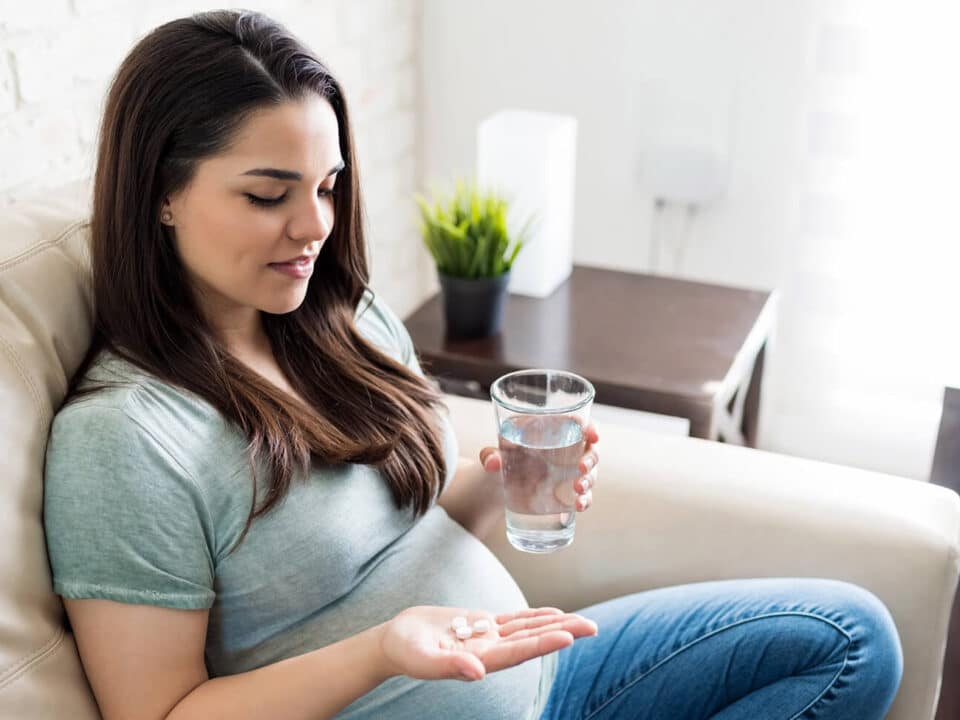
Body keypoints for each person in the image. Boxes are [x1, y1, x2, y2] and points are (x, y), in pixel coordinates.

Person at [42, 9, 903, 720]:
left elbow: (396, 527)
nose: (315, 227)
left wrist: (501, 484)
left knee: (847, 635)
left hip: (549, 682)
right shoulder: (126, 441)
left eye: (328, 186)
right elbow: (159, 715)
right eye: (269, 194)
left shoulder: (335, 317)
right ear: (159, 191)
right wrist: (377, 653)